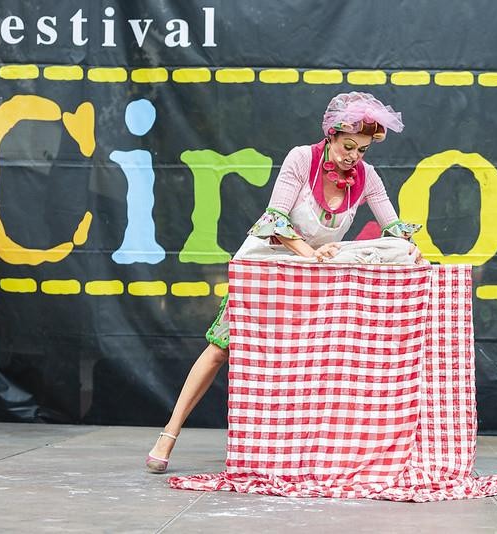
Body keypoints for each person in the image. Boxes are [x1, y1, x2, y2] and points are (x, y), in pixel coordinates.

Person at [146, 92, 423, 473]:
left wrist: (410, 250)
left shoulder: (367, 177)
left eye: (361, 150)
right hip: (270, 261)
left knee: (396, 255)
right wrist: (308, 255)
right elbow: (274, 220)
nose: (353, 157)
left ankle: (301, 450)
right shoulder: (301, 159)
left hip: (317, 269)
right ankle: (169, 432)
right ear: (331, 135)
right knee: (220, 348)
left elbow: (392, 227)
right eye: (348, 147)